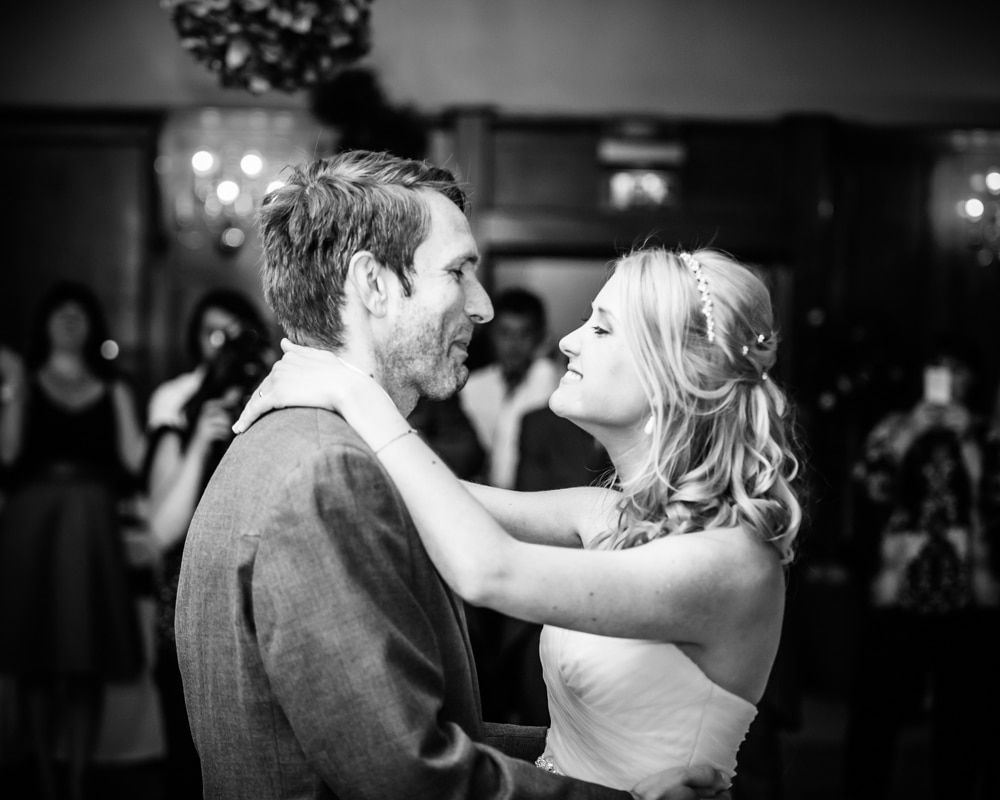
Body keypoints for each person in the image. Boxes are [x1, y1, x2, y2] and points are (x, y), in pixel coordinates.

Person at [175, 150, 724, 800]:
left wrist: (589, 766)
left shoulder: (315, 445)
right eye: (460, 271)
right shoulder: (326, 472)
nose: (484, 306)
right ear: (374, 285)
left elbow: (412, 727)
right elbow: (406, 773)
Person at [234, 243, 803, 791]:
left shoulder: (729, 561)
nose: (569, 341)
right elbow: (430, 492)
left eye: (601, 328)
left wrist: (356, 395)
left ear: (672, 377)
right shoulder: (607, 514)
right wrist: (327, 395)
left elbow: (489, 570)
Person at [0, 282, 146, 800]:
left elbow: (135, 461)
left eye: (79, 311)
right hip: (32, 520)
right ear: (42, 323)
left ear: (92, 323)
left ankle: (79, 783)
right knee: (37, 660)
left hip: (91, 522)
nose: (68, 318)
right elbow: (10, 452)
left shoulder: (114, 388)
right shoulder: (25, 380)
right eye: (58, 309)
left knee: (86, 659)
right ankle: (42, 780)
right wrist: (13, 385)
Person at [842, 348, 999, 800]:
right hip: (898, 585)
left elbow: (991, 504)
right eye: (939, 372)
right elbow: (869, 492)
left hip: (968, 589)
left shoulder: (984, 434)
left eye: (959, 372)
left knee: (964, 716)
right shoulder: (893, 429)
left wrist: (968, 442)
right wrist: (909, 436)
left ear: (971, 381)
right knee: (876, 713)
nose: (948, 381)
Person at [145, 294, 272, 800]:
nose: (223, 345)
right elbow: (160, 531)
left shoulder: (268, 403)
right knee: (187, 738)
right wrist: (200, 439)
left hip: (256, 595)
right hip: (185, 599)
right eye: (211, 334)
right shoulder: (178, 406)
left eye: (234, 333)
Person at [460, 287, 561, 489]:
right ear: (491, 335)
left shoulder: (557, 386)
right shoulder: (470, 388)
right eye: (505, 333)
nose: (514, 345)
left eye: (524, 334)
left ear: (540, 337)